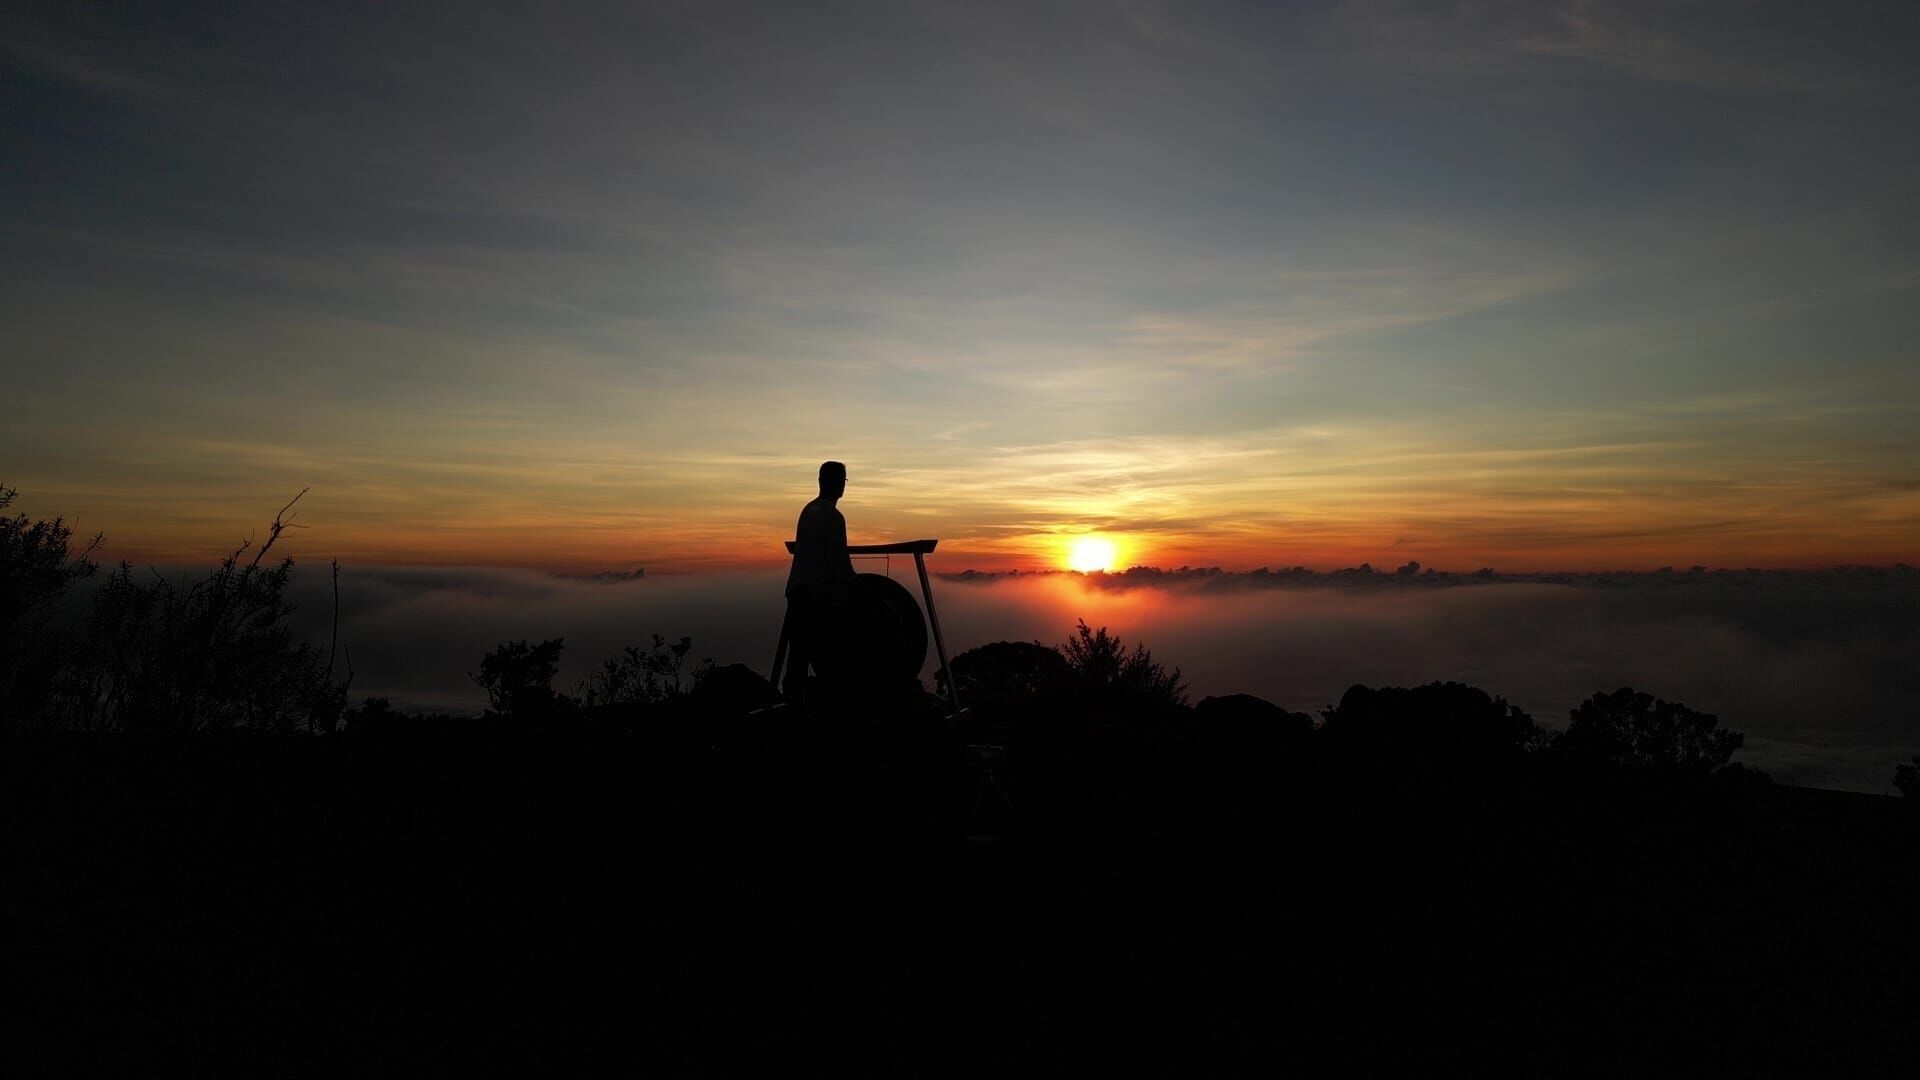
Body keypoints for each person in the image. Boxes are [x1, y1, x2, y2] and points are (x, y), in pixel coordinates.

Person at [783, 460, 856, 705]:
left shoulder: (808, 510)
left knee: (798, 659)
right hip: (815, 597)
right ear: (834, 484)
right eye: (841, 480)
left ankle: (794, 712)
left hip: (797, 592)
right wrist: (857, 590)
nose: (841, 485)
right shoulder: (833, 516)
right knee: (829, 661)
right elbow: (840, 562)